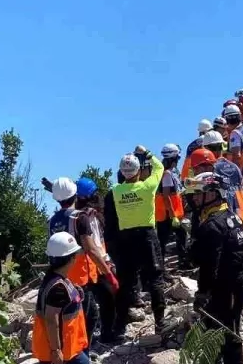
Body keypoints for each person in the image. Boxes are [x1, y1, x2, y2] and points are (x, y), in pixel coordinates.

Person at [185, 173, 243, 364]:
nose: (193, 200)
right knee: (215, 325)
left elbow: (207, 266)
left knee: (229, 336)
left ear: (211, 194)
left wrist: (202, 295)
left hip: (229, 287)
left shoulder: (212, 225)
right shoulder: (232, 217)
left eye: (197, 195)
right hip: (237, 284)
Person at [31, 232, 94, 364]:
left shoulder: (58, 280)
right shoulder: (57, 287)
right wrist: (56, 350)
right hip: (60, 348)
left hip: (65, 346)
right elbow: (51, 319)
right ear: (71, 258)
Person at [48, 177, 112, 343]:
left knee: (70, 316)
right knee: (88, 316)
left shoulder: (53, 221)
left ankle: (71, 350)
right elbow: (91, 249)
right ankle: (81, 354)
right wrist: (109, 273)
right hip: (81, 278)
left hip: (61, 276)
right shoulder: (80, 218)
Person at [113, 148, 169, 335]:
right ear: (138, 171)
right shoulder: (147, 187)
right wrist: (147, 153)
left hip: (125, 238)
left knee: (126, 281)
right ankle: (160, 321)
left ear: (121, 172)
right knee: (155, 277)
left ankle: (119, 326)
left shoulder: (116, 191)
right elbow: (159, 167)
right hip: (146, 236)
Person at [75, 177, 121, 344]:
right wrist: (107, 268)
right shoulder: (89, 217)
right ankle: (105, 335)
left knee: (90, 306)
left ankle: (93, 337)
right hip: (95, 265)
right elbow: (94, 247)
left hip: (84, 268)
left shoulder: (76, 216)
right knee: (107, 299)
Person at [156, 144, 190, 269]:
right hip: (168, 213)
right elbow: (166, 195)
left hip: (167, 213)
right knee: (165, 241)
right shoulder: (166, 174)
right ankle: (163, 267)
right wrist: (172, 214)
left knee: (172, 238)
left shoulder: (166, 172)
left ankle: (164, 266)